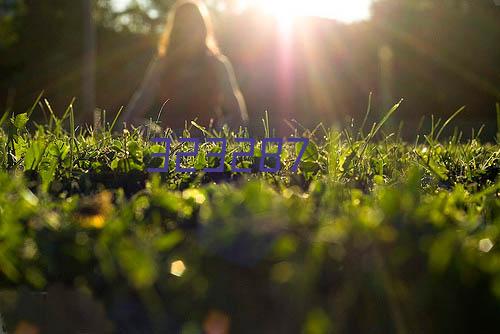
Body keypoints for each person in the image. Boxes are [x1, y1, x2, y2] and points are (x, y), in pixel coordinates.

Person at [122, 0, 248, 131]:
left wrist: (217, 132)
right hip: (170, 139)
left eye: (193, 25)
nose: (188, 31)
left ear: (202, 28)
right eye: (183, 25)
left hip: (207, 139)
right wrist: (124, 125)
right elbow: (142, 99)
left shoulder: (218, 64)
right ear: (176, 29)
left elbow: (238, 115)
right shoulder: (162, 64)